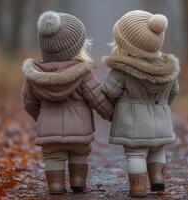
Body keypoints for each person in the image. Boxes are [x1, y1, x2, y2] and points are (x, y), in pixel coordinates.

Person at [21, 11, 113, 194]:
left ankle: (55, 186)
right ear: (77, 47)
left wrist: (42, 118)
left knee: (52, 156)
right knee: (79, 154)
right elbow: (98, 99)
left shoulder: (35, 76)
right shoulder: (83, 74)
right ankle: (78, 182)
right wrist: (112, 114)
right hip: (80, 132)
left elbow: (28, 102)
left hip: (49, 132)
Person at [103, 10, 180, 197]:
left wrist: (116, 108)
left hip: (133, 124)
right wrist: (162, 105)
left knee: (136, 154)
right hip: (160, 120)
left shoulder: (123, 69)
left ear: (126, 43)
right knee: (157, 150)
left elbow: (109, 91)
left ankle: (138, 188)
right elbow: (174, 91)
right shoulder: (166, 69)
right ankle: (158, 181)